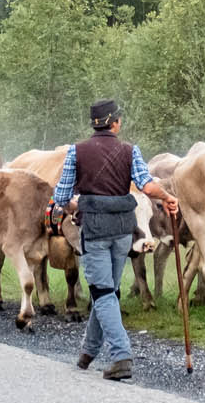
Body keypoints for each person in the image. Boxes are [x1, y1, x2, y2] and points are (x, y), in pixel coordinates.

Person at [51, 99, 178, 381]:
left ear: (94, 124)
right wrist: (168, 197)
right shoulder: (130, 151)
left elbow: (60, 198)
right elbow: (146, 185)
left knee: (103, 292)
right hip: (123, 230)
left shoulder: (76, 151)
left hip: (94, 230)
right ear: (115, 123)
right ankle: (88, 352)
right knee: (108, 291)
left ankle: (121, 356)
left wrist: (74, 206)